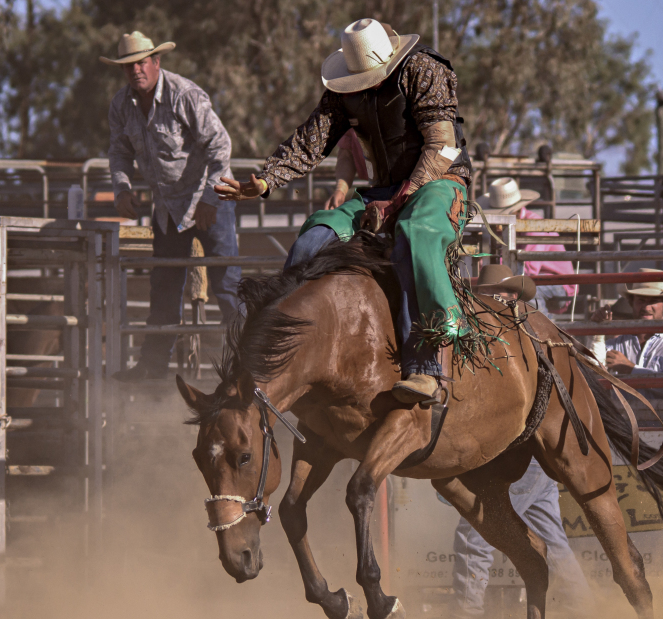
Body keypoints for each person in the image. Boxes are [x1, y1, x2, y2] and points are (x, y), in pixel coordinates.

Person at [215, 18, 472, 405]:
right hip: (384, 188)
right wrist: (267, 179)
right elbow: (311, 138)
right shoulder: (343, 93)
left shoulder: (423, 69)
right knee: (314, 237)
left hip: (440, 182)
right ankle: (288, 358)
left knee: (415, 235)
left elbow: (442, 145)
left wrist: (399, 201)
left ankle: (428, 365)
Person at [452, 264, 593, 619]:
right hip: (534, 454)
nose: (495, 300)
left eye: (501, 294)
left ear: (512, 297)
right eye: (490, 294)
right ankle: (588, 615)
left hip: (513, 452)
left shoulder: (502, 338)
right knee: (552, 539)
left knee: (476, 529)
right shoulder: (531, 331)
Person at [104, 31, 241, 381]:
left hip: (208, 200)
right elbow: (119, 152)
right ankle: (152, 368)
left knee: (227, 284)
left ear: (156, 62)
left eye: (141, 62)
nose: (136, 70)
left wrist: (211, 197)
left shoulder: (185, 96)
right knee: (163, 287)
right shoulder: (121, 105)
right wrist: (121, 188)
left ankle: (247, 363)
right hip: (167, 207)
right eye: (128, 65)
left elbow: (220, 147)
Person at [476, 177, 576, 314]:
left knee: (529, 293)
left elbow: (529, 269)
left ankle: (543, 334)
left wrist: (489, 267)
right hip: (535, 280)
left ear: (513, 212)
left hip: (559, 283)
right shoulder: (513, 227)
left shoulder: (536, 226)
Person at [591, 269, 663, 378]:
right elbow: (593, 373)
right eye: (641, 300)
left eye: (653, 301)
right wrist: (597, 332)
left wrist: (630, 368)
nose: (646, 307)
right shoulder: (616, 342)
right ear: (632, 303)